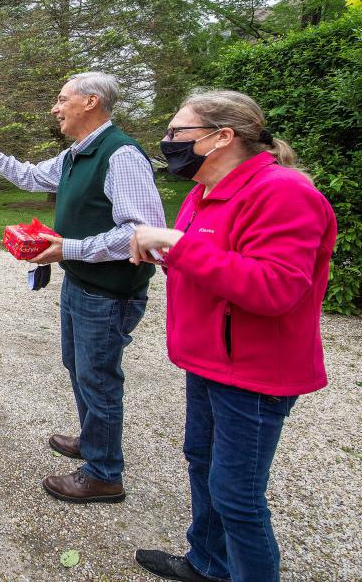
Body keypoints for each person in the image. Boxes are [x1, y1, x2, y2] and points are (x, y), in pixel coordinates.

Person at [130, 90, 336, 582]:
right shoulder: (204, 194)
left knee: (237, 496)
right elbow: (211, 266)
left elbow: (277, 288)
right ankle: (208, 563)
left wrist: (176, 245)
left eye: (178, 133)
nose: (167, 142)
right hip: (207, 361)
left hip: (255, 373)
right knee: (201, 463)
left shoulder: (283, 192)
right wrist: (168, 252)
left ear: (222, 137)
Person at [0, 71, 165, 503]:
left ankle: (103, 473)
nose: (55, 108)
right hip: (82, 283)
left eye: (62, 99)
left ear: (91, 102)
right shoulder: (78, 154)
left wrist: (67, 249)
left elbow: (143, 232)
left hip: (111, 292)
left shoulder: (121, 155)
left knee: (98, 379)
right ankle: (93, 440)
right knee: (78, 369)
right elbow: (31, 177)